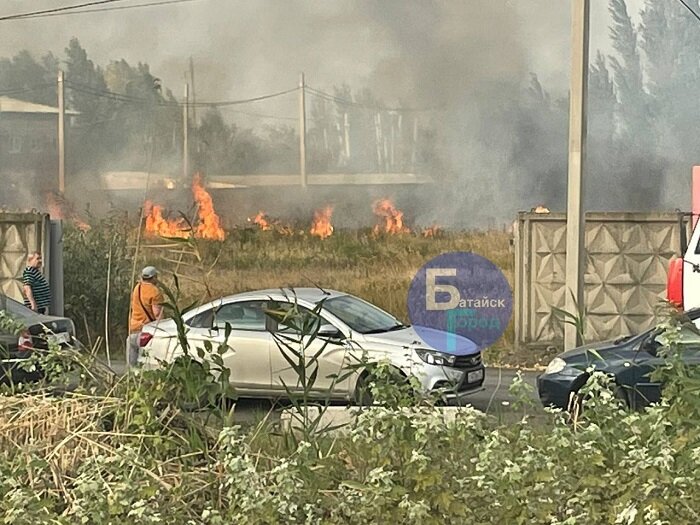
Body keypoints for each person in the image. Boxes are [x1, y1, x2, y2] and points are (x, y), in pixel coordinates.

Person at [127, 266, 164, 367]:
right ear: (153, 277)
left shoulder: (137, 288)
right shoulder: (155, 292)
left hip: (133, 329)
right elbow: (157, 314)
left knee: (132, 367)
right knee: (148, 366)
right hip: (146, 332)